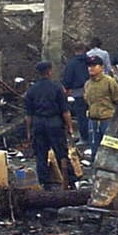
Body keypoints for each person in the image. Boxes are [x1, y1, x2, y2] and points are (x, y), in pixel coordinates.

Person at [25, 61, 76, 190]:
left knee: (41, 154)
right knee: (61, 153)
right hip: (54, 123)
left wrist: (29, 131)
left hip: (38, 123)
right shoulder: (57, 87)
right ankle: (69, 181)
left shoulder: (32, 90)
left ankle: (45, 183)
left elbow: (28, 114)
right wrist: (70, 127)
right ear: (49, 71)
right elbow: (65, 111)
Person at [83, 55, 118, 159]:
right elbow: (87, 100)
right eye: (89, 66)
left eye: (94, 65)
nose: (91, 68)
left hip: (107, 119)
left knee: (108, 149)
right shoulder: (88, 84)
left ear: (101, 67)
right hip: (93, 120)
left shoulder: (109, 81)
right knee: (94, 148)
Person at [61, 43, 90, 146]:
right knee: (95, 114)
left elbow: (67, 78)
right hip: (92, 91)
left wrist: (67, 88)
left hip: (78, 92)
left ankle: (85, 138)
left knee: (81, 116)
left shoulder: (72, 63)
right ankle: (96, 136)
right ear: (85, 49)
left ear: (75, 50)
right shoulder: (90, 61)